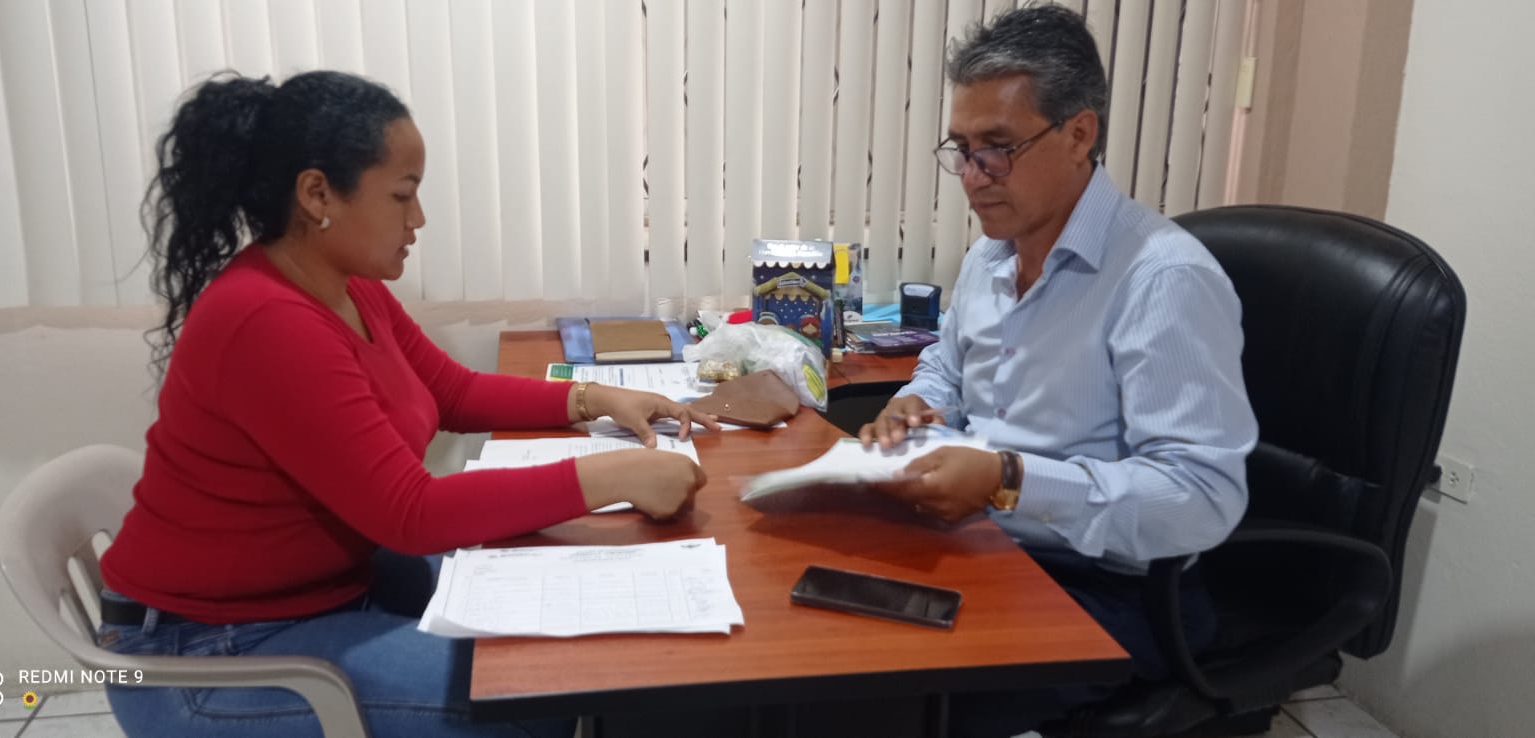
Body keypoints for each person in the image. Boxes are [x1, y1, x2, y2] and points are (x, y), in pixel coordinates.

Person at [96, 70, 717, 738]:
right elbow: (411, 514)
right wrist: (615, 477)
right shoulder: (266, 321)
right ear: (317, 194)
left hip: (325, 590)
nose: (417, 218)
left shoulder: (344, 284)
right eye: (401, 195)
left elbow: (452, 392)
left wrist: (594, 397)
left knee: (562, 616)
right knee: (533, 701)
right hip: (209, 650)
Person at [857, 5, 1258, 735]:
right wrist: (915, 401)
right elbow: (948, 365)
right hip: (991, 546)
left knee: (886, 700)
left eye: (998, 148)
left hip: (1117, 592)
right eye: (962, 149)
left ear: (1079, 134)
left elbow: (1201, 500)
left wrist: (1009, 480)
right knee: (823, 635)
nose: (972, 177)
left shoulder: (1163, 280)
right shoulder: (992, 254)